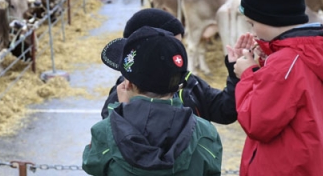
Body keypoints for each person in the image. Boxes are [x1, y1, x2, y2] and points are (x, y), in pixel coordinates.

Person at [232, 0, 323, 176]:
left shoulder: (285, 64)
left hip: (282, 167)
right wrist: (266, 60)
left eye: (252, 23)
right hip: (309, 162)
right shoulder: (319, 52)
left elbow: (257, 123)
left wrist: (248, 74)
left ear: (271, 19)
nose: (252, 31)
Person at [83, 26, 223, 175]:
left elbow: (92, 165)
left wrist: (121, 111)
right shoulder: (205, 134)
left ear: (128, 83)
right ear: (179, 85)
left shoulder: (104, 131)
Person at [101, 8, 250, 125]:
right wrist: (125, 110)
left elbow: (225, 111)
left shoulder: (190, 84)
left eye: (179, 47)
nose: (178, 55)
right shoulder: (122, 95)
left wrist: (236, 73)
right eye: (172, 48)